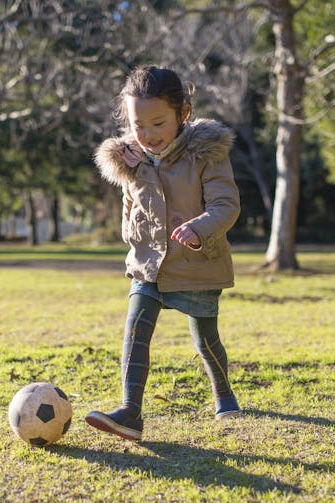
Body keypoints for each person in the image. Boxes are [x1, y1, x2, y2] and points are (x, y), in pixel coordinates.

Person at [85, 65, 241, 441]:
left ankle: (224, 393)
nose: (149, 135)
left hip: (196, 263)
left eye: (158, 123)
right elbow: (130, 211)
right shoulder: (131, 160)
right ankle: (130, 413)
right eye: (139, 126)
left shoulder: (207, 153)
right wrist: (134, 233)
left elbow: (226, 206)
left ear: (183, 114)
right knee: (136, 327)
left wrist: (198, 228)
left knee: (205, 338)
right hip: (149, 266)